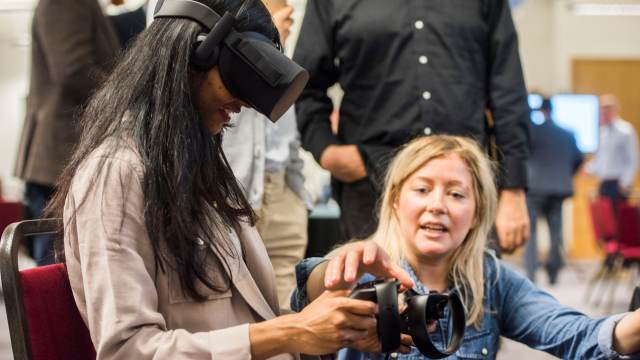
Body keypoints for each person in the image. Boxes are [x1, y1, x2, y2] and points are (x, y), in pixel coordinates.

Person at [44, 0, 415, 358]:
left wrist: (333, 314)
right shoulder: (117, 173)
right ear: (195, 54)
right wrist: (295, 332)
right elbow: (128, 351)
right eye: (239, 78)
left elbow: (249, 323)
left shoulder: (202, 173)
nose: (245, 103)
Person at [292, 135, 640, 360]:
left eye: (456, 194)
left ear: (477, 214)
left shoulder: (492, 278)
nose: (438, 205)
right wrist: (338, 273)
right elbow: (310, 295)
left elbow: (576, 335)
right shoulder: (367, 268)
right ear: (396, 201)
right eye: (422, 189)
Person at [293, 0, 530, 254]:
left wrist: (513, 190)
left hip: (463, 188)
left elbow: (508, 94)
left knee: (471, 290)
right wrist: (328, 151)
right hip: (371, 183)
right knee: (371, 291)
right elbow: (305, 85)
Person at [13, 0, 121, 266]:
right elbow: (73, 70)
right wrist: (127, 95)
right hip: (59, 158)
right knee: (55, 269)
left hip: (61, 159)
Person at [223, 4, 313, 309]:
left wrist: (299, 190)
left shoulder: (283, 10)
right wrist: (257, 40)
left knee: (290, 319)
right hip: (227, 189)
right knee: (231, 313)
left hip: (284, 187)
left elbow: (287, 107)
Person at [525, 99, 583, 284]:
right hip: (559, 188)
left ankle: (531, 272)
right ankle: (554, 273)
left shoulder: (532, 131)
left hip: (534, 188)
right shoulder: (568, 133)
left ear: (540, 109)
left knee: (531, 231)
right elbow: (578, 160)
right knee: (556, 232)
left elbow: (522, 156)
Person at [584, 94, 639, 207]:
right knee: (604, 220)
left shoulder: (626, 131)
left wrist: (625, 182)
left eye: (607, 110)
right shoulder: (602, 132)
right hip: (604, 183)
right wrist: (589, 169)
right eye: (602, 110)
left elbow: (633, 160)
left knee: (619, 220)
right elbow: (600, 159)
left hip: (618, 183)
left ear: (615, 110)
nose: (604, 113)